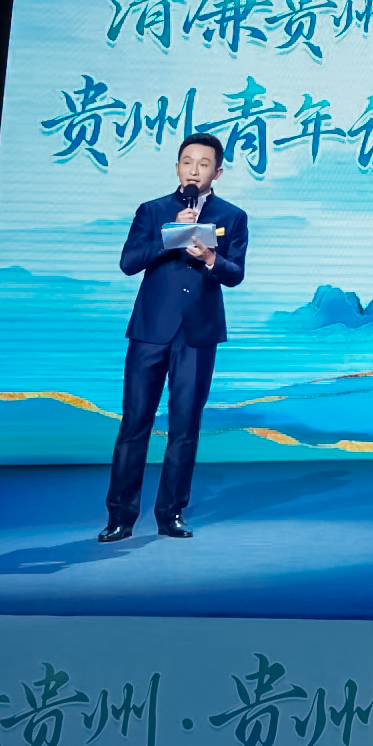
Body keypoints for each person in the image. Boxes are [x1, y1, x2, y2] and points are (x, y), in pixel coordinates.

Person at [99, 132, 248, 541]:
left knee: (185, 427)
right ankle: (120, 517)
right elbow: (129, 262)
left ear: (218, 172)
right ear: (177, 167)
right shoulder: (152, 210)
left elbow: (236, 274)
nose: (194, 170)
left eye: (203, 164)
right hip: (150, 331)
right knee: (134, 424)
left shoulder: (233, 216)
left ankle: (171, 514)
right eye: (187, 162)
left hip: (198, 334)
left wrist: (212, 258)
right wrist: (170, 237)